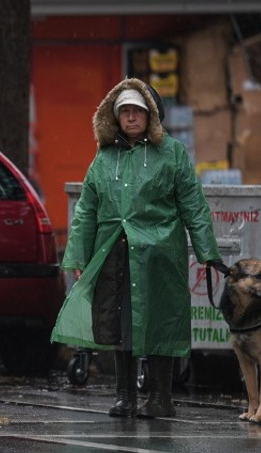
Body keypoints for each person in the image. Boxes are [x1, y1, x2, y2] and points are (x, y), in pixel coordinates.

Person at [51, 78, 224, 418]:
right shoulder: (104, 158)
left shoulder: (172, 153)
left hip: (159, 256)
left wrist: (208, 252)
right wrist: (77, 255)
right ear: (115, 117)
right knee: (120, 325)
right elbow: (87, 208)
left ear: (151, 115)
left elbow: (193, 203)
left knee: (161, 321)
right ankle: (125, 396)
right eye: (124, 112)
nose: (131, 118)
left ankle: (161, 398)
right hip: (114, 254)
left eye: (137, 112)